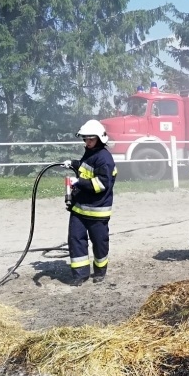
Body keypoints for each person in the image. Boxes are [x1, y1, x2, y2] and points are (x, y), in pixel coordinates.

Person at [62, 120, 117, 285]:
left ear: (100, 138)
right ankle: (80, 275)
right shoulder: (90, 153)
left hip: (97, 210)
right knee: (75, 239)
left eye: (91, 139)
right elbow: (86, 168)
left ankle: (100, 271)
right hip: (79, 208)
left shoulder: (105, 158)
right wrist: (74, 163)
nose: (87, 142)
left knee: (99, 243)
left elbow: (101, 184)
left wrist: (78, 182)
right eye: (85, 139)